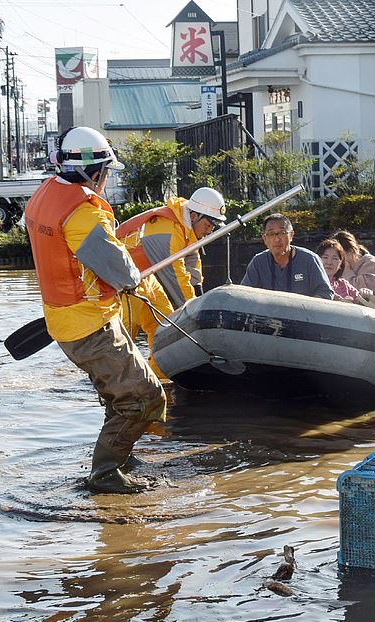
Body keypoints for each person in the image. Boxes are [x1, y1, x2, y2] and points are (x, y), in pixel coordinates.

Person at [23, 126, 166, 493]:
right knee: (146, 398)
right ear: (94, 172)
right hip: (91, 326)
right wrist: (133, 277)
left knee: (117, 394)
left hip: (65, 321)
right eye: (105, 173)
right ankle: (105, 472)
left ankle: (122, 452)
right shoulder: (83, 215)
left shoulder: (44, 196)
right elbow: (120, 271)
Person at [116, 187, 226, 377]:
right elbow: (176, 276)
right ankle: (115, 379)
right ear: (194, 216)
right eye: (209, 225)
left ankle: (158, 375)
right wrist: (195, 312)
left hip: (145, 277)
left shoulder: (186, 224)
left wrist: (199, 293)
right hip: (122, 281)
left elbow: (192, 259)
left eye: (213, 227)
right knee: (125, 332)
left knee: (165, 325)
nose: (210, 231)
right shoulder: (166, 231)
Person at [240, 214, 334, 299]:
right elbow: (244, 295)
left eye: (282, 233)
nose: (277, 239)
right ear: (264, 238)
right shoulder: (258, 262)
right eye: (271, 234)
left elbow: (325, 293)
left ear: (291, 235)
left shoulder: (310, 259)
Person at [331, 230, 375, 299]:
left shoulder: (370, 262)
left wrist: (347, 271)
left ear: (351, 251)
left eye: (341, 254)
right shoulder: (336, 265)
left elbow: (366, 290)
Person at [316, 237, 360, 302]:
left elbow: (361, 299)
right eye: (325, 257)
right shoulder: (310, 282)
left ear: (340, 264)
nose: (329, 262)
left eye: (334, 258)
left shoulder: (343, 284)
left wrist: (367, 294)